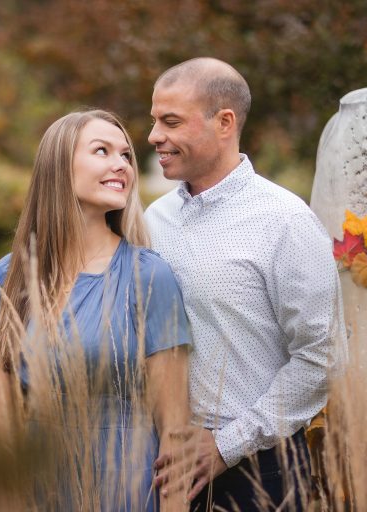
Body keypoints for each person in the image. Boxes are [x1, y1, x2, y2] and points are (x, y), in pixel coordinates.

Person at [144, 58, 345, 511]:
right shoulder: (152, 220)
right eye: (154, 120)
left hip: (259, 468)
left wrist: (226, 445)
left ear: (225, 122)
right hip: (162, 462)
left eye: (170, 121)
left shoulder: (285, 221)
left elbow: (322, 356)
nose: (154, 135)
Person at [0, 109, 194, 511]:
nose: (120, 165)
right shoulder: (14, 275)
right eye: (102, 151)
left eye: (125, 155)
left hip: (126, 490)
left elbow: (175, 430)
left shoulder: (149, 276)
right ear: (59, 167)